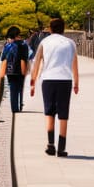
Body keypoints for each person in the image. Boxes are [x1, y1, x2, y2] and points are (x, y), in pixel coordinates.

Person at [30, 18, 79, 157]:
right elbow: (75, 63)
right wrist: (76, 82)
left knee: (49, 111)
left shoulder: (44, 42)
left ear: (50, 29)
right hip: (65, 80)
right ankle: (62, 148)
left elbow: (37, 61)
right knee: (63, 113)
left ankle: (50, 144)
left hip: (48, 79)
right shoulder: (70, 43)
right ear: (63, 29)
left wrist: (32, 82)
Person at [0, 26, 29, 113]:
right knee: (20, 88)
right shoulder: (23, 45)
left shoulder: (7, 46)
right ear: (17, 35)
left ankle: (14, 108)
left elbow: (3, 58)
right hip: (20, 69)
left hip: (10, 70)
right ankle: (20, 105)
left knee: (12, 88)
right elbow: (25, 58)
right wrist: (25, 70)